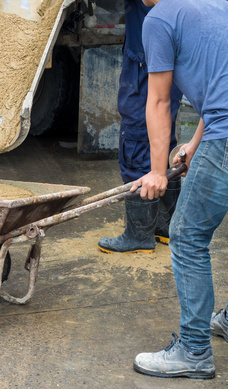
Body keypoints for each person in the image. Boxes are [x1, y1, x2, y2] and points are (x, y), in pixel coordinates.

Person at [131, 0, 228, 379]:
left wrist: (156, 172)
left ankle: (194, 351)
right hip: (219, 127)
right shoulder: (216, 4)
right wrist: (194, 145)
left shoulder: (158, 19)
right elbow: (219, 85)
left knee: (187, 238)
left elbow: (158, 100)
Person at [97, 0, 182, 254]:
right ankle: (163, 226)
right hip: (163, 60)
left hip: (144, 66)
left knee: (136, 140)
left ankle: (139, 234)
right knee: (164, 139)